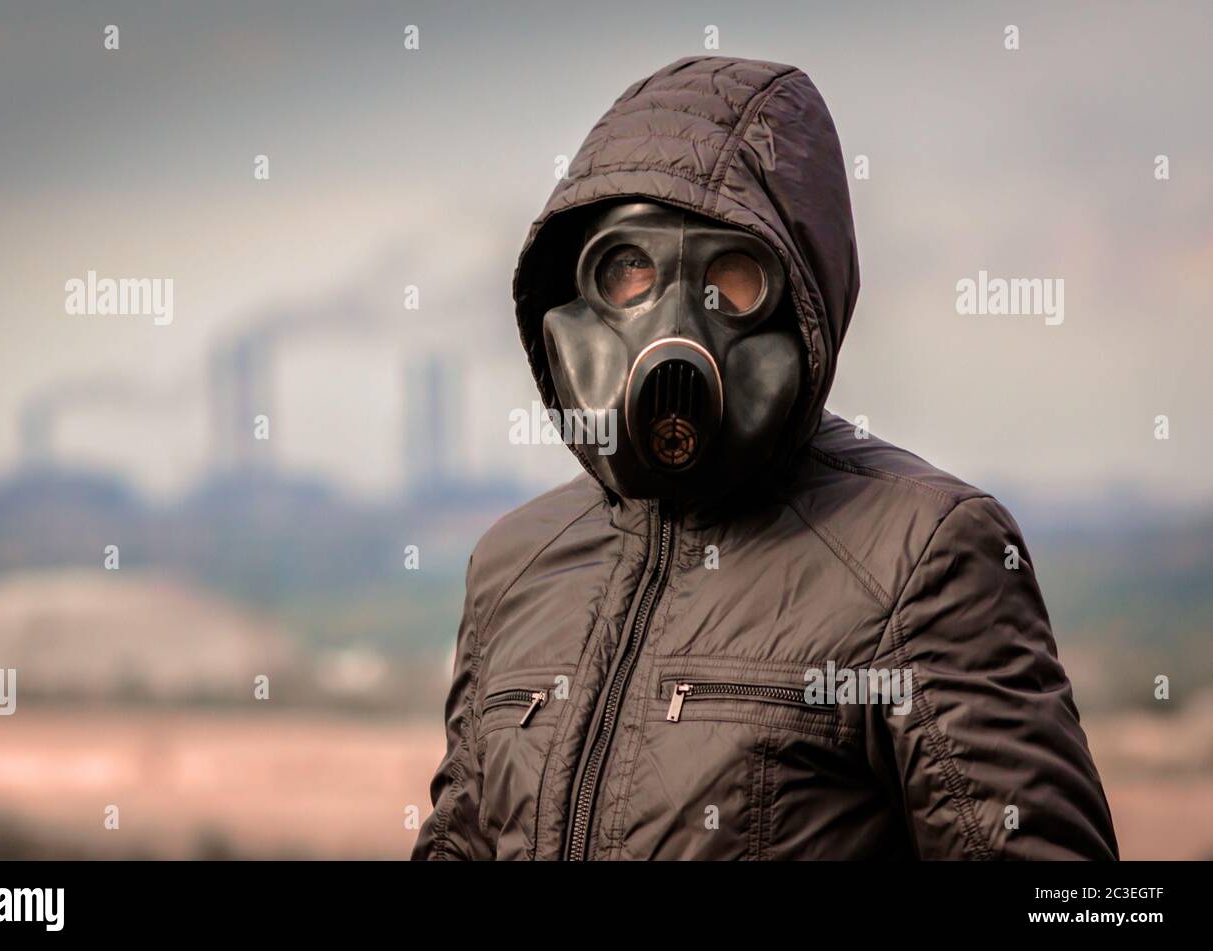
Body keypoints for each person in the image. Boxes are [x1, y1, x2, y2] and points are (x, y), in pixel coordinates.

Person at [412, 56, 1117, 860]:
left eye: (734, 277)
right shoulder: (515, 566)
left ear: (805, 302)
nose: (676, 321)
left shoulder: (922, 555)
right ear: (572, 298)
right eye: (629, 268)